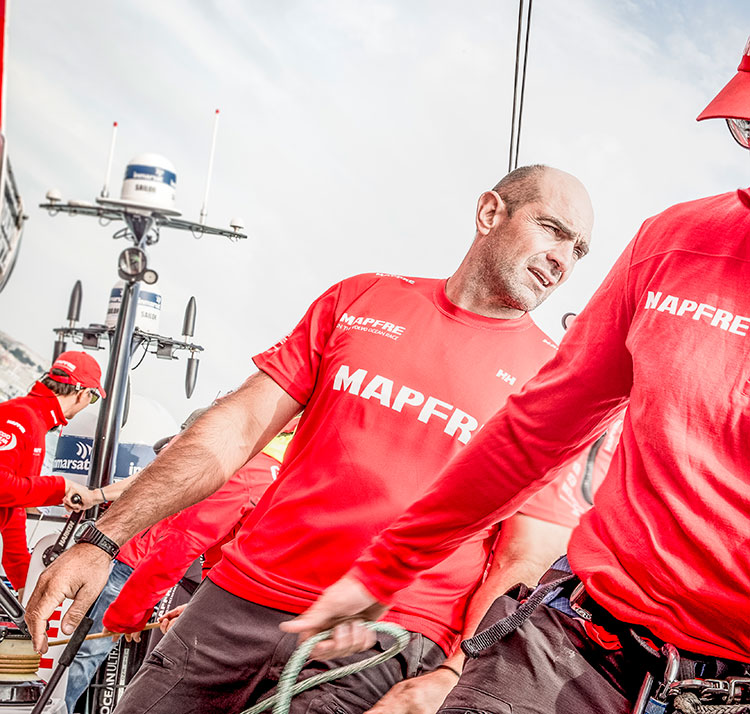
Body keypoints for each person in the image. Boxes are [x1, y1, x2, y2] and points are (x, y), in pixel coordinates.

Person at [277, 37, 750, 714]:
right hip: (579, 645)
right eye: (749, 127)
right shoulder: (674, 242)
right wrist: (388, 566)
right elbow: (539, 426)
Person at [25, 165, 595, 714]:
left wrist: (453, 675)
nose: (562, 260)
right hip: (238, 601)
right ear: (490, 211)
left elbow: (525, 553)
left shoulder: (552, 379)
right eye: (553, 230)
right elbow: (238, 427)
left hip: (385, 635)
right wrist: (102, 540)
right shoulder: (360, 298)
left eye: (578, 250)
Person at [63, 418, 296, 714]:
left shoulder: (248, 464)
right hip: (295, 623)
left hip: (251, 617)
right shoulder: (293, 465)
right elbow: (232, 547)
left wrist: (130, 612)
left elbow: (188, 539)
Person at [0, 351, 103, 591]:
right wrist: (61, 487)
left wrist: (25, 583)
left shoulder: (32, 418)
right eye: (94, 398)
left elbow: (12, 506)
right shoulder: (20, 417)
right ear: (83, 394)